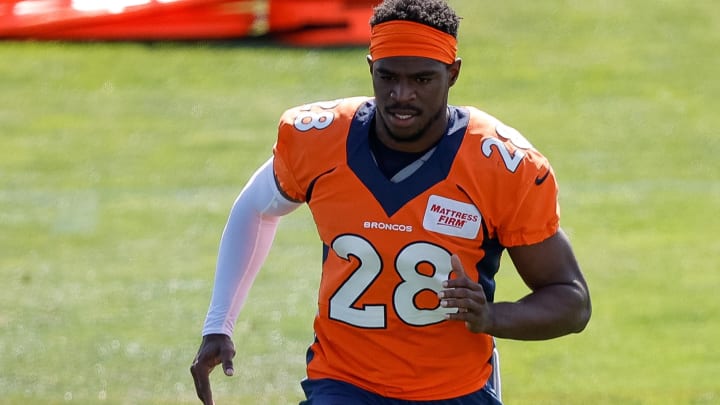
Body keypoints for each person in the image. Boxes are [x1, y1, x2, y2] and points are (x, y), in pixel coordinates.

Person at [190, 0, 592, 403]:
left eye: (421, 79)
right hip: (343, 381)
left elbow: (571, 301)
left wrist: (492, 316)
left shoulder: (500, 165)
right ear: (370, 69)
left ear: (452, 74)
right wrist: (218, 324)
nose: (402, 95)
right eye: (388, 77)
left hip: (454, 389)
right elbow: (256, 208)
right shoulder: (320, 140)